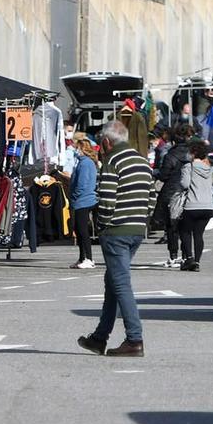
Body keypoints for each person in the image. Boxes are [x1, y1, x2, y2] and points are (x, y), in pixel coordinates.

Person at [78, 121, 155, 357]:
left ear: (106, 142)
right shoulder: (142, 161)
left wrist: (101, 224)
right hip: (136, 229)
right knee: (113, 281)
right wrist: (141, 220)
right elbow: (151, 197)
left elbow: (107, 199)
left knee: (120, 284)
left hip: (116, 231)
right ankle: (99, 337)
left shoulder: (112, 161)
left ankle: (134, 339)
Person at [151, 126, 193, 269]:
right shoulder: (191, 154)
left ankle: (173, 256)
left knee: (171, 226)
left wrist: (154, 172)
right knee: (187, 227)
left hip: (171, 192)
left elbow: (163, 175)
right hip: (188, 192)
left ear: (174, 141)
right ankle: (189, 256)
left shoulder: (170, 155)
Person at [171, 146, 213, 271]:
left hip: (192, 205)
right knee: (199, 234)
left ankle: (189, 259)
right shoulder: (208, 168)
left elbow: (185, 184)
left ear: (193, 153)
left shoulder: (189, 167)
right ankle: (197, 261)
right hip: (207, 206)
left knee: (185, 232)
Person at [67, 138, 99, 269]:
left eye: (77, 148)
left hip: (83, 200)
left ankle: (89, 258)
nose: (76, 150)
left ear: (82, 149)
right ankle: (82, 257)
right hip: (81, 200)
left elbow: (82, 183)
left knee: (82, 230)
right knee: (78, 230)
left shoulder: (85, 163)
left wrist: (74, 196)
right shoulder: (83, 162)